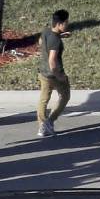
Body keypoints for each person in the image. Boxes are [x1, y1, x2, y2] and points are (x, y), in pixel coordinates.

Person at [37, 9, 71, 137]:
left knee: (44, 99)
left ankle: (42, 126)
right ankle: (49, 121)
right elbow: (52, 61)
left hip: (43, 72)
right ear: (60, 24)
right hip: (54, 74)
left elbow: (41, 42)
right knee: (65, 96)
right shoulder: (56, 41)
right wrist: (59, 76)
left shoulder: (46, 31)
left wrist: (59, 36)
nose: (67, 24)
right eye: (66, 22)